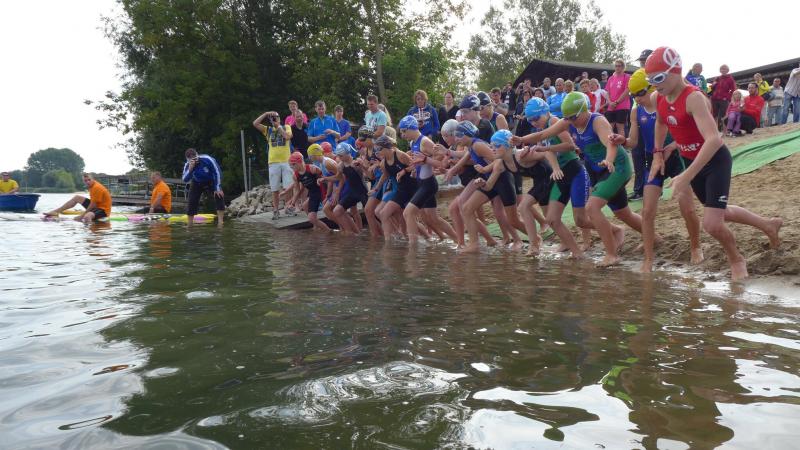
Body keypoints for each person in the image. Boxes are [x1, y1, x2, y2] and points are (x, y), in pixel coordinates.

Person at [646, 46, 782, 280]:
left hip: (715, 160)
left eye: (658, 78)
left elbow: (714, 139)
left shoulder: (694, 98)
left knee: (711, 223)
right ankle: (768, 225)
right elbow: (660, 123)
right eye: (650, 80)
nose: (654, 84)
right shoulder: (657, 97)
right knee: (721, 213)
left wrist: (686, 175)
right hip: (692, 161)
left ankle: (736, 259)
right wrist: (658, 153)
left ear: (676, 71)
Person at [610, 69, 701, 273]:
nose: (636, 99)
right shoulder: (636, 111)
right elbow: (633, 142)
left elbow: (691, 133)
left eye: (639, 94)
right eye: (632, 95)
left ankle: (696, 246)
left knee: (687, 208)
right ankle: (648, 258)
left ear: (652, 88)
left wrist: (672, 146)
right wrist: (622, 140)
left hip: (676, 158)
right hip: (654, 160)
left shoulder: (668, 104)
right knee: (647, 211)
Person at [397, 115, 458, 244]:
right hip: (421, 183)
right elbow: (420, 161)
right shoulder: (413, 143)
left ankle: (413, 248)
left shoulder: (424, 141)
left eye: (404, 131)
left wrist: (426, 161)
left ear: (411, 128)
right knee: (433, 219)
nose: (402, 135)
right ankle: (458, 240)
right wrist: (415, 169)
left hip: (428, 184)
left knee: (408, 213)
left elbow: (443, 161)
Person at [253, 110, 294, 219]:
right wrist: (266, 114)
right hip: (273, 162)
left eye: (276, 117)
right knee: (275, 188)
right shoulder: (268, 130)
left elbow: (287, 137)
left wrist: (278, 127)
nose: (275, 119)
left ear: (280, 118)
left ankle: (288, 207)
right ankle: (276, 210)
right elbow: (255, 124)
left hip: (286, 161)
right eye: (273, 118)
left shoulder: (286, 127)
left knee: (288, 187)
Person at [287, 151, 330, 232]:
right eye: (290, 165)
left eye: (293, 164)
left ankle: (329, 231)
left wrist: (328, 195)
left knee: (314, 216)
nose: (291, 167)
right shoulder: (295, 176)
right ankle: (316, 225)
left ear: (299, 162)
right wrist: (292, 203)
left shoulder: (312, 169)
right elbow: (297, 190)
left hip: (321, 191)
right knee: (305, 206)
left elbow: (326, 179)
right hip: (312, 193)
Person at [181, 148, 225, 226]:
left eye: (195, 158)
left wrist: (217, 187)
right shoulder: (187, 165)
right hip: (197, 182)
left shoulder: (207, 159)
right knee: (191, 200)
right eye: (191, 159)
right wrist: (190, 169)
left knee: (219, 195)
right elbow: (185, 179)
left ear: (197, 154)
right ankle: (190, 224)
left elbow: (217, 172)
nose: (195, 160)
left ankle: (220, 222)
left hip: (211, 180)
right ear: (188, 159)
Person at [45, 173, 112, 223]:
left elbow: (93, 205)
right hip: (97, 206)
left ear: (93, 179)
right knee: (77, 197)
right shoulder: (91, 186)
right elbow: (93, 204)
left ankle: (92, 233)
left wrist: (81, 216)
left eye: (89, 180)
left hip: (104, 210)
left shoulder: (96, 187)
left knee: (87, 216)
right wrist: (82, 215)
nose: (87, 182)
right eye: (85, 181)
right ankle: (56, 212)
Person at [605, 59, 632, 135]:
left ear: (623, 67)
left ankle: (621, 143)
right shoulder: (611, 78)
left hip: (622, 106)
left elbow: (627, 91)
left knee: (620, 127)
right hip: (611, 107)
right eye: (616, 66)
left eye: (619, 66)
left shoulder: (627, 77)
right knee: (609, 127)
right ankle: (610, 142)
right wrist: (610, 102)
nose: (617, 68)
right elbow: (607, 92)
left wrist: (617, 102)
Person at [710, 64, 736, 131]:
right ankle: (715, 130)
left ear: (727, 70)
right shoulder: (717, 78)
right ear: (720, 70)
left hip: (723, 100)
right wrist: (713, 84)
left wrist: (727, 97)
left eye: (724, 69)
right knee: (714, 115)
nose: (723, 70)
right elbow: (712, 88)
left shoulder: (730, 78)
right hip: (714, 99)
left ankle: (724, 130)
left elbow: (733, 89)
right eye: (721, 69)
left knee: (723, 115)